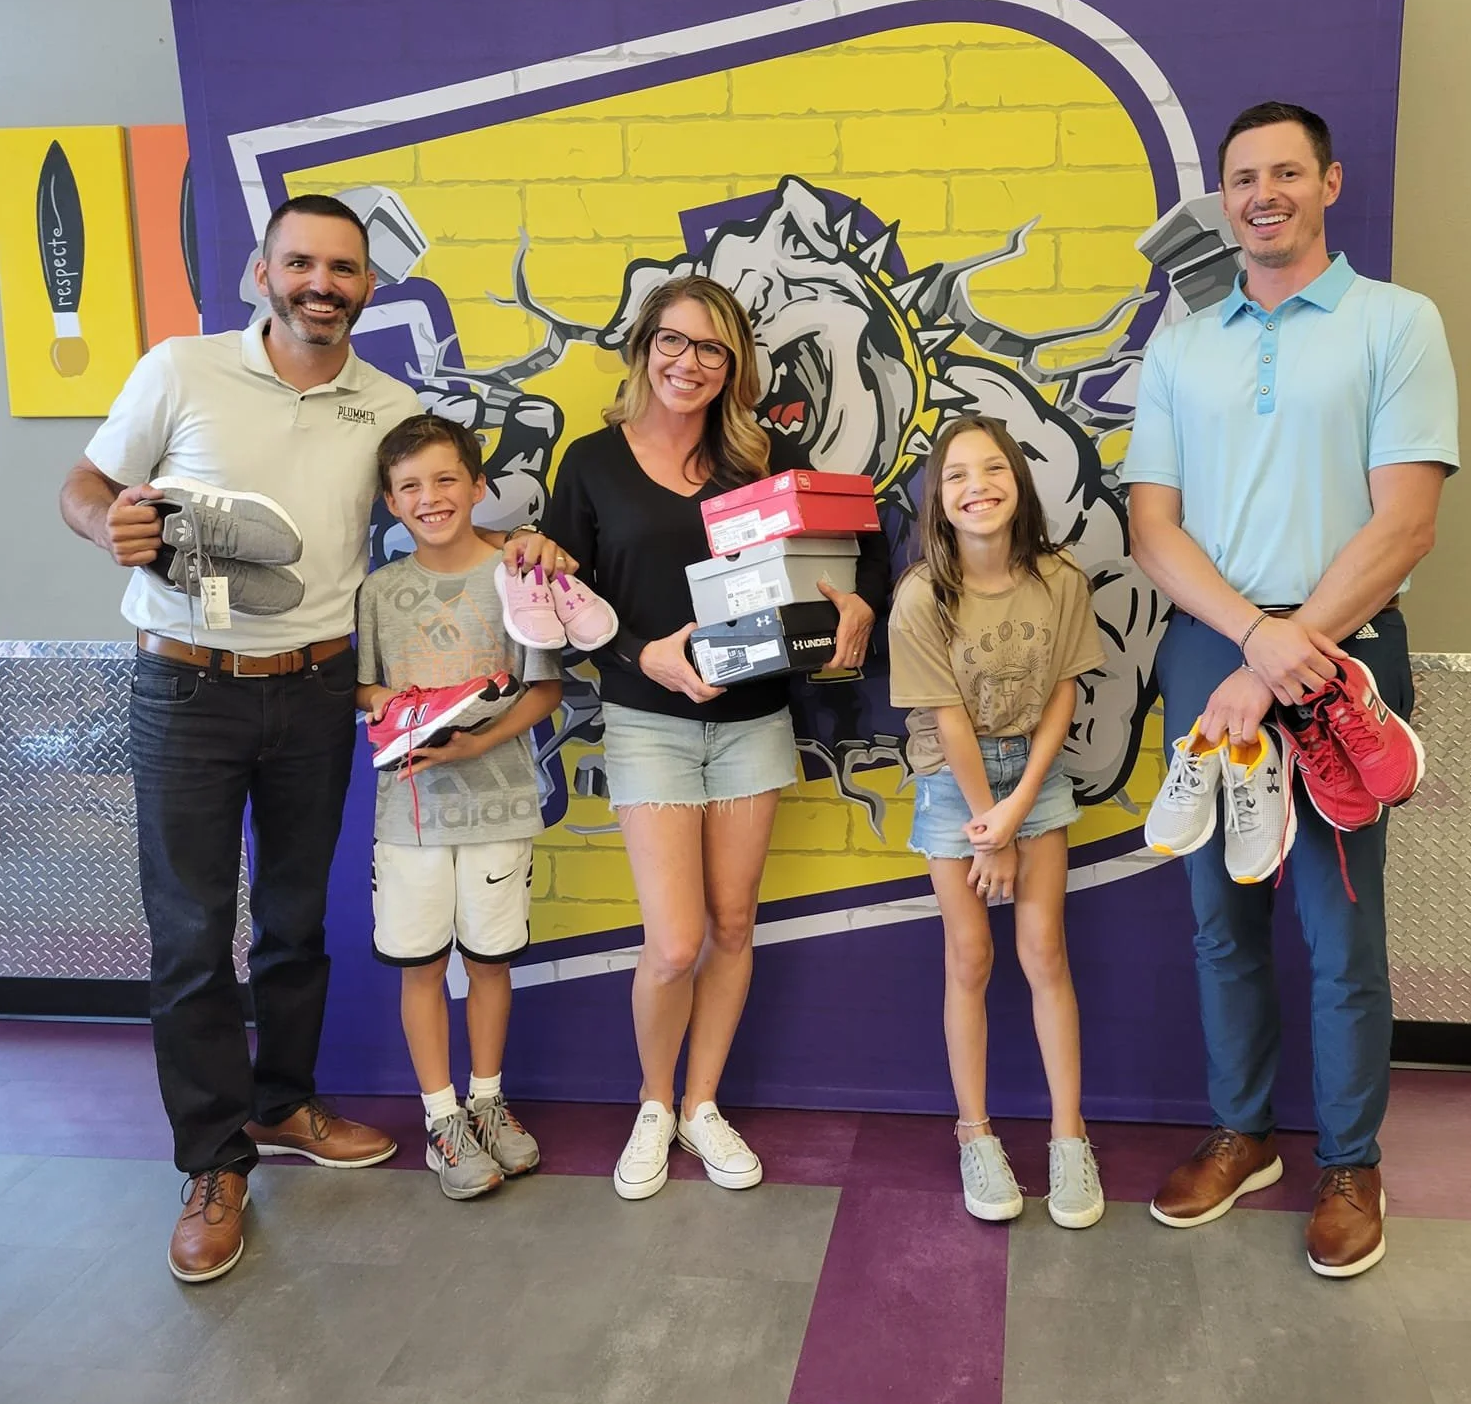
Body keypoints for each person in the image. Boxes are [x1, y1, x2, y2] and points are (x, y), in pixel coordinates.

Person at [57, 195, 560, 1283]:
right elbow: (84, 484)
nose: (320, 284)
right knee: (192, 932)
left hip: (322, 687)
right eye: (300, 264)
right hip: (184, 686)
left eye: (342, 268)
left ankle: (283, 1103)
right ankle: (212, 1162)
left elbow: (442, 505)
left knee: (294, 920)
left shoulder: (388, 403)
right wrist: (109, 523)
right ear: (261, 273)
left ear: (367, 286)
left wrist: (528, 547)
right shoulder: (180, 368)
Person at [1126, 102, 1458, 1278]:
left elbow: (1404, 522)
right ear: (1220, 200)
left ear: (1328, 182)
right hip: (1212, 649)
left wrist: (1288, 647)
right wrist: (1251, 640)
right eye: (1240, 179)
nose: (1260, 194)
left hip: (1343, 654)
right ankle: (1243, 1134)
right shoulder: (1182, 345)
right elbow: (1152, 531)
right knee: (1221, 918)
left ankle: (1350, 1161)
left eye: (1282, 173)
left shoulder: (1395, 324)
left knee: (1337, 924)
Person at [543, 276, 889, 1201]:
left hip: (752, 722)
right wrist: (639, 653)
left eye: (710, 348)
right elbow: (562, 599)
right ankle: (653, 1104)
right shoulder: (590, 463)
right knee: (673, 944)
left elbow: (862, 550)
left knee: (734, 926)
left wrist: (859, 606)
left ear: (733, 366)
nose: (688, 362)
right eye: (673, 340)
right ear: (643, 346)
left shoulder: (764, 458)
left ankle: (701, 1104)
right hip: (647, 722)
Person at [887, 416, 1108, 1229]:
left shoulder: (1061, 578)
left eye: (992, 470)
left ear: (1018, 481)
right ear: (937, 499)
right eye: (956, 475)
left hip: (1035, 779)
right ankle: (975, 1133)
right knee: (971, 955)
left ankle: (1069, 1136)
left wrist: (1018, 809)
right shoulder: (921, 597)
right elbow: (947, 722)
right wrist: (993, 825)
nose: (976, 487)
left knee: (1045, 951)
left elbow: (1064, 690)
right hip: (957, 785)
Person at [355, 414, 564, 1200]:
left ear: (478, 486)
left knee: (489, 962)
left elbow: (545, 689)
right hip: (408, 813)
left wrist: (477, 740)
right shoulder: (380, 591)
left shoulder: (517, 577)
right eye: (410, 486)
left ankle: (487, 1102)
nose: (430, 497)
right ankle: (442, 1119)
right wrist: (398, 703)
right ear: (390, 502)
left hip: (499, 807)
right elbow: (362, 688)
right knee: (421, 968)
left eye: (446, 479)